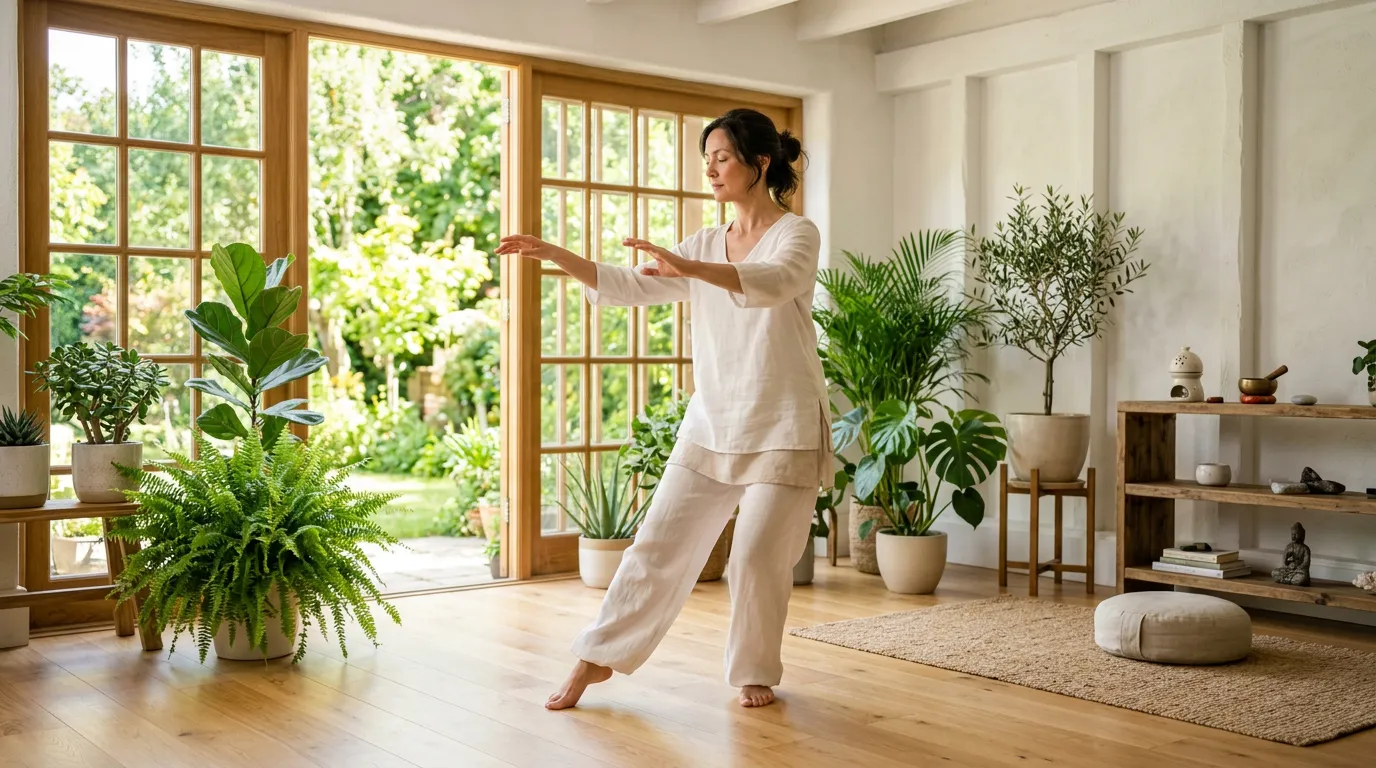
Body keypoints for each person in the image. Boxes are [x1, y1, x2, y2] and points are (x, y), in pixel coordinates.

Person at [496, 108, 830, 710]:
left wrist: (692, 268)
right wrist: (556, 254)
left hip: (784, 421)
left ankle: (755, 670)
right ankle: (594, 657)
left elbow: (773, 282)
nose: (710, 168)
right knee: (656, 544)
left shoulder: (796, 234)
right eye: (707, 158)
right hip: (713, 422)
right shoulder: (703, 242)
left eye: (722, 157)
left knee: (755, 554)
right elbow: (632, 286)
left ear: (759, 163)